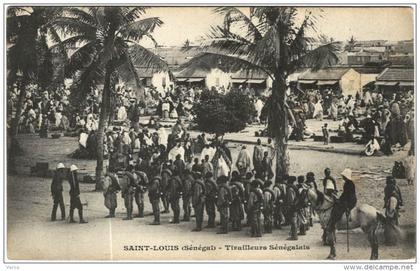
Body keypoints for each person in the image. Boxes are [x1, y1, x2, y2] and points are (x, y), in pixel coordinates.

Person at [286, 176, 299, 240]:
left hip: (292, 206)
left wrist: (289, 207)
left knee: (293, 221)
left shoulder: (290, 189)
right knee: (294, 221)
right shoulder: (295, 187)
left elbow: (290, 199)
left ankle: (294, 236)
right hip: (295, 205)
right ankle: (294, 235)